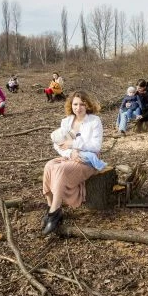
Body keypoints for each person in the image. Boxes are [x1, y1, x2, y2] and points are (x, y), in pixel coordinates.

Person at [41, 91, 103, 235]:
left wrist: (73, 144)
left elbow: (96, 146)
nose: (78, 107)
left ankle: (54, 214)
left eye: (82, 104)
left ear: (87, 105)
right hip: (70, 156)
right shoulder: (66, 121)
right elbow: (57, 144)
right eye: (75, 104)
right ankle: (50, 207)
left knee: (61, 170)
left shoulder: (94, 121)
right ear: (71, 105)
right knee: (49, 166)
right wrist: (70, 152)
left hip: (88, 159)